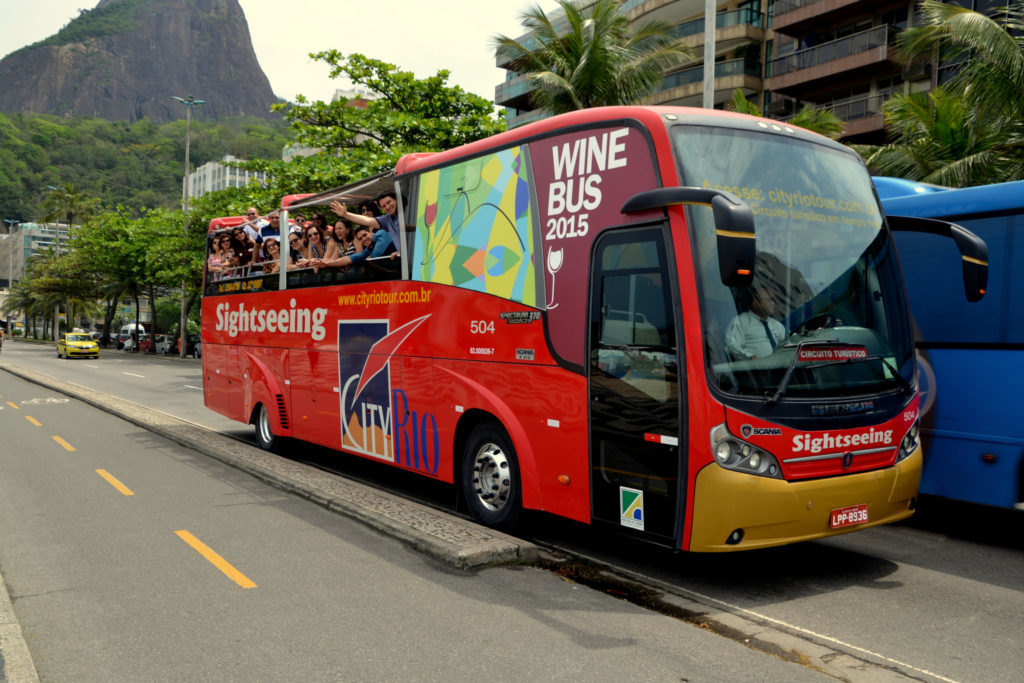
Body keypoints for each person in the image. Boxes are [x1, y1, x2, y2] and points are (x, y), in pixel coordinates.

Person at [724, 285, 786, 360]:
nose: (773, 303)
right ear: (755, 302)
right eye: (768, 300)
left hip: (782, 369)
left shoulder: (777, 325)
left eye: (773, 300)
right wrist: (750, 356)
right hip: (755, 370)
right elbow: (731, 346)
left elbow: (790, 342)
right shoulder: (740, 322)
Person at [330, 190, 401, 249]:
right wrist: (345, 214)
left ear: (396, 199)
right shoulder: (386, 219)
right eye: (384, 206)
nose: (387, 207)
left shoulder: (406, 211)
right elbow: (367, 220)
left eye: (388, 202)